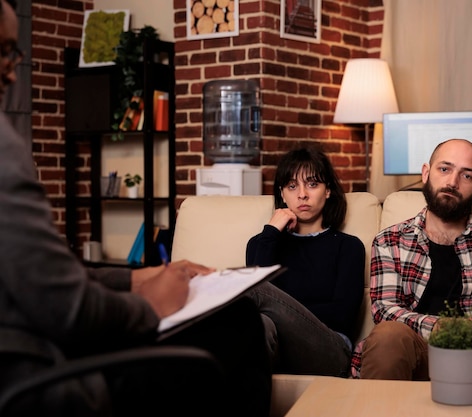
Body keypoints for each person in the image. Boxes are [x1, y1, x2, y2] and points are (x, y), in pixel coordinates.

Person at [0, 1, 271, 415]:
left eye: (13, 52)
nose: (12, 69)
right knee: (237, 321)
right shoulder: (3, 150)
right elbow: (69, 310)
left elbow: (42, 276)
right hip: (40, 381)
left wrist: (136, 277)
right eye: (3, 51)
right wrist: (150, 304)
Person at [351, 138, 472, 384]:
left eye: (467, 176)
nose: (452, 182)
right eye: (444, 169)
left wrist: (462, 332)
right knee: (388, 334)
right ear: (426, 173)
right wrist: (439, 328)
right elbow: (385, 310)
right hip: (413, 351)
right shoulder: (389, 240)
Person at [246, 145, 365, 377]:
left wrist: (283, 310)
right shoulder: (261, 244)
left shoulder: (348, 247)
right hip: (276, 347)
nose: (302, 194)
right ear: (282, 194)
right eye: (292, 186)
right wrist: (270, 233)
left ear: (327, 190)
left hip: (329, 349)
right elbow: (251, 310)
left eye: (312, 184)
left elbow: (342, 314)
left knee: (255, 287)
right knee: (259, 322)